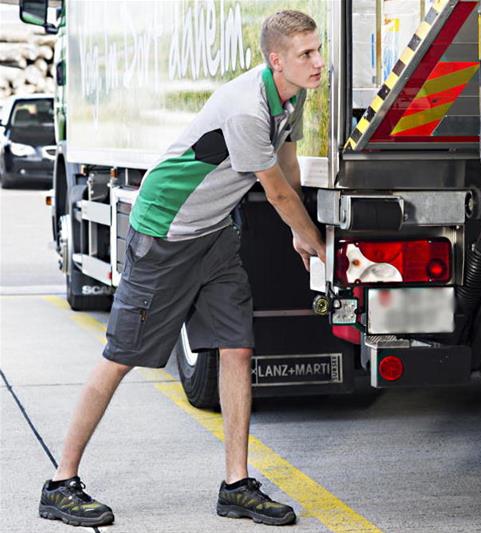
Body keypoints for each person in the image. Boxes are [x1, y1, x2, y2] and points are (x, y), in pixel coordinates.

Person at [38, 10, 325, 528]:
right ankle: (61, 483)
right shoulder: (245, 108)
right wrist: (310, 237)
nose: (319, 62)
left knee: (236, 347)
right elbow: (274, 190)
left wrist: (297, 226)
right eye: (307, 54)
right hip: (166, 232)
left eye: (318, 49)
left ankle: (236, 485)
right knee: (121, 355)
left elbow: (288, 166)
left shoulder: (290, 96)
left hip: (213, 234)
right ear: (276, 59)